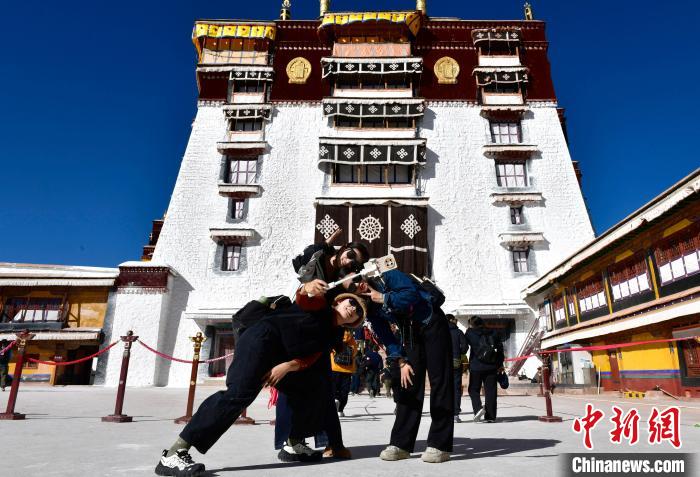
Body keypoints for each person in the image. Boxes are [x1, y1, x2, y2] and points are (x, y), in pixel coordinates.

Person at [154, 292, 366, 477]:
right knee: (237, 396)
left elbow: (311, 358)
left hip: (280, 358)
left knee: (312, 388)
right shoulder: (319, 306)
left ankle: (293, 443)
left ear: (355, 321)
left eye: (358, 311)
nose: (353, 308)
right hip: (262, 340)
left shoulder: (333, 333)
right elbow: (304, 296)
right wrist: (308, 287)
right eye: (351, 302)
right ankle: (174, 453)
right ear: (338, 301)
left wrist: (287, 367)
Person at [274, 240, 370, 461]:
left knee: (325, 391)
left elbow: (345, 296)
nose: (350, 261)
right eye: (351, 254)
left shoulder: (342, 276)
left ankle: (332, 443)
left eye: (355, 263)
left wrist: (356, 288)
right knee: (292, 389)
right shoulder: (317, 257)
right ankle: (291, 443)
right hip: (296, 332)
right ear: (344, 248)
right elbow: (302, 277)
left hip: (319, 338)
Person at [359, 268, 454, 464]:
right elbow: (387, 337)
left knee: (440, 380)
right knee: (407, 383)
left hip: (432, 322)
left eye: (357, 281)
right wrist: (401, 361)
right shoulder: (370, 311)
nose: (358, 287)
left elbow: (411, 295)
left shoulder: (389, 276)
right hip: (410, 335)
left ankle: (440, 444)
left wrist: (383, 298)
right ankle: (401, 444)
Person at [464, 316, 504, 423]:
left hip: (476, 366)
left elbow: (464, 347)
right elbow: (500, 349)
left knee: (473, 389)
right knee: (491, 391)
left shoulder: (470, 333)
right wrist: (499, 364)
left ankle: (478, 408)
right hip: (492, 366)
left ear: (471, 324)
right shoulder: (493, 332)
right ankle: (490, 416)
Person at [330, 329, 358, 417]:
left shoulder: (335, 337)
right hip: (348, 369)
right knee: (344, 390)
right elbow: (355, 353)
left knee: (334, 387)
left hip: (335, 367)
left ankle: (335, 399)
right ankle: (341, 410)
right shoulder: (351, 339)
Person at [447, 314, 468, 422]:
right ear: (451, 320)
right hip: (455, 361)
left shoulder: (440, 331)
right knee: (456, 388)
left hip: (442, 363)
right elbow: (465, 347)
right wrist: (458, 352)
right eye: (455, 319)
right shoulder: (458, 332)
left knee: (444, 387)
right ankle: (455, 414)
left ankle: (444, 412)